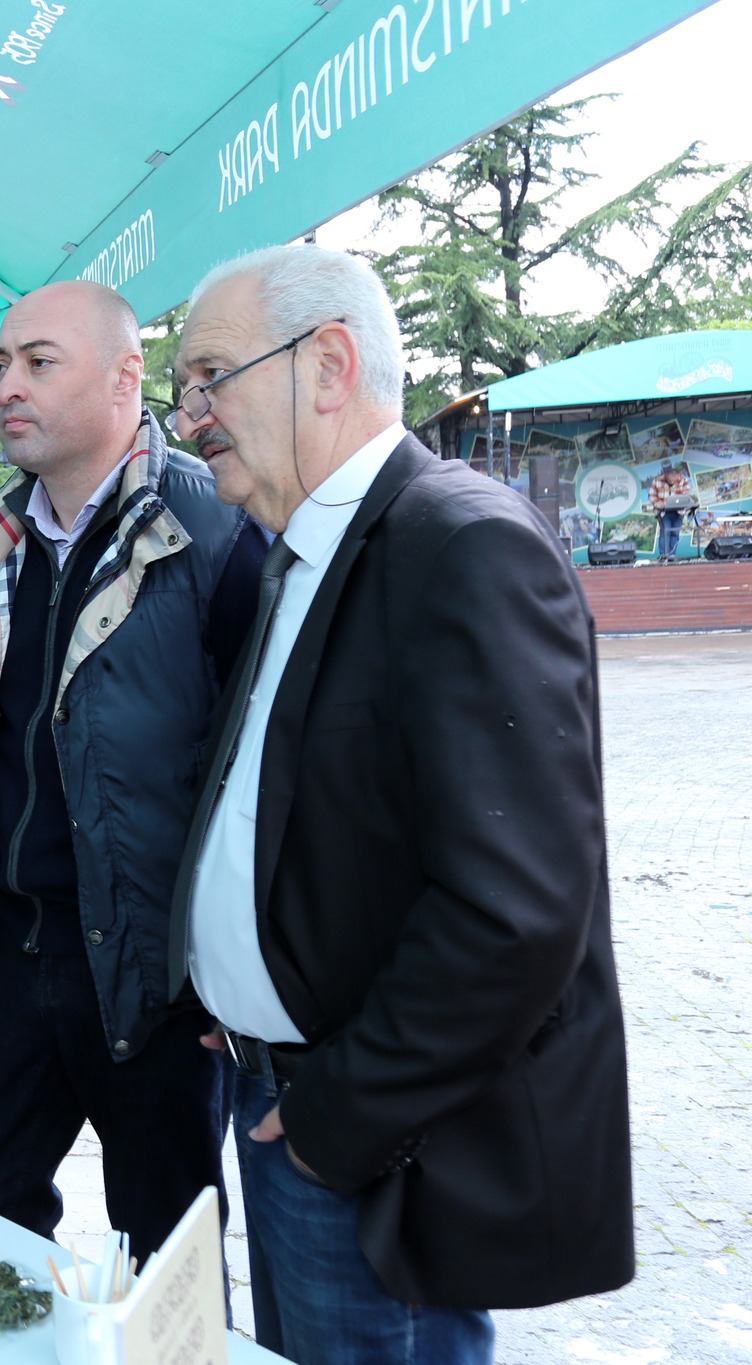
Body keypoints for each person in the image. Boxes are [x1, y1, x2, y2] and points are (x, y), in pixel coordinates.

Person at [167, 245, 631, 1363]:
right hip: (281, 1100)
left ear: (327, 364)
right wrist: (234, 981)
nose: (188, 419)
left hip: (367, 1147)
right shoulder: (303, 549)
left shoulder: (460, 543)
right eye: (182, 390)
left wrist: (334, 1120)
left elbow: (512, 918)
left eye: (210, 378)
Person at [0, 281, 265, 1254]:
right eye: (0, 364)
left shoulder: (214, 527)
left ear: (127, 377)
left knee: (168, 1261)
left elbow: (260, 769)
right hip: (15, 949)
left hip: (155, 978)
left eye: (39, 362)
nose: (7, 386)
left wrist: (229, 970)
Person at [647, 462, 694, 563]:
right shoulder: (657, 481)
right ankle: (663, 556)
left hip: (679, 512)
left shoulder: (683, 480)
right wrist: (662, 504)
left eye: (675, 477)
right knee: (665, 532)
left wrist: (685, 503)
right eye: (671, 477)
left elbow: (687, 495)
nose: (673, 479)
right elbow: (651, 496)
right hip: (663, 512)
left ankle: (672, 555)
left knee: (675, 533)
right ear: (666, 474)